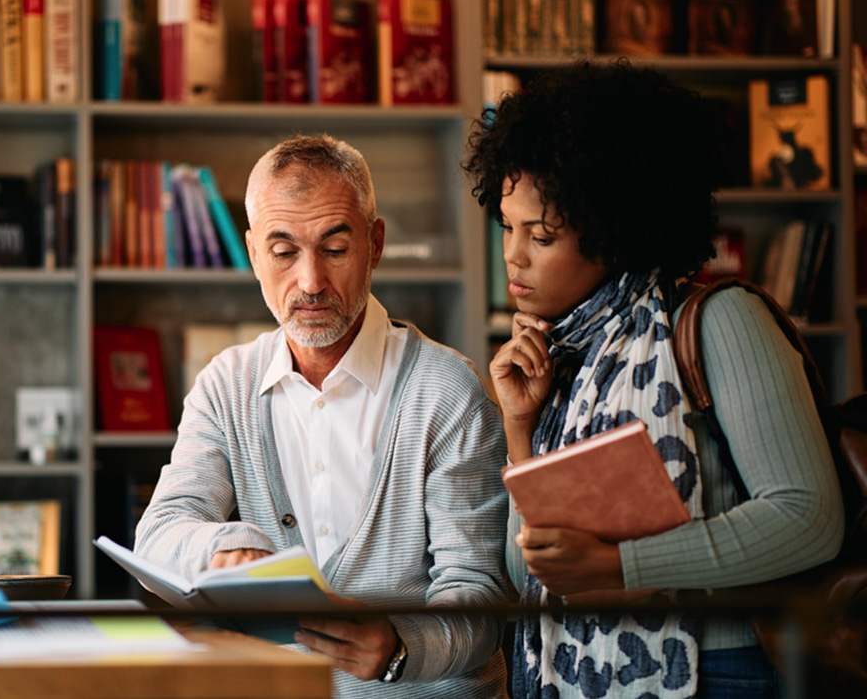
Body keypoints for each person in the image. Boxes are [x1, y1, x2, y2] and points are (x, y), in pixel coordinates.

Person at [464, 60, 844, 699]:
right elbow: (530, 571)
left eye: (543, 234)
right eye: (509, 227)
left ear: (614, 230)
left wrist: (620, 565)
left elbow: (808, 518)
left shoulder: (719, 322)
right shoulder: (563, 352)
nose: (513, 254)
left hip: (714, 673)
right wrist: (520, 427)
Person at [135, 134, 511, 698]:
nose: (310, 282)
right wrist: (219, 546)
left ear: (375, 243)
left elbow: (480, 597)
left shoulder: (448, 391)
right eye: (283, 252)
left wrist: (397, 647)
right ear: (254, 254)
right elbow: (160, 534)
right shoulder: (225, 384)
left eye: (335, 249)